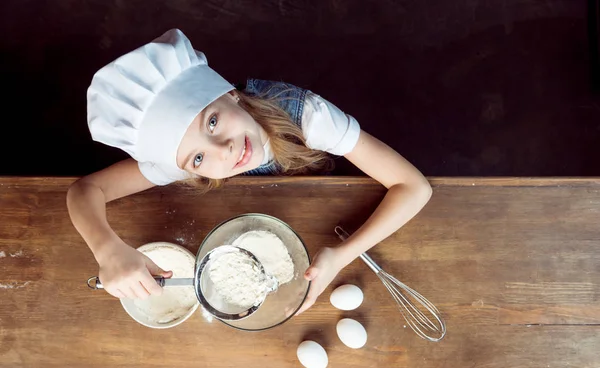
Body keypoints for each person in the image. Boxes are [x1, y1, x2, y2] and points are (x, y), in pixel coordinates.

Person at [67, 29, 432, 315]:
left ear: (230, 94)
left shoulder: (306, 117)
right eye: (197, 159)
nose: (223, 151)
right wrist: (108, 250)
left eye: (212, 121)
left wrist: (340, 256)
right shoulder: (177, 161)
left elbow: (414, 187)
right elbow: (86, 190)